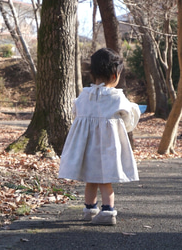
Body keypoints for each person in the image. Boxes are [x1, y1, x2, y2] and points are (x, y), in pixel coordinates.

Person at [58, 48, 141, 226]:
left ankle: (89, 209)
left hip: (86, 146)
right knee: (105, 181)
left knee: (90, 180)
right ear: (114, 75)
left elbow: (76, 113)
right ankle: (108, 212)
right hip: (108, 148)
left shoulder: (84, 96)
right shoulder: (117, 97)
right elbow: (129, 118)